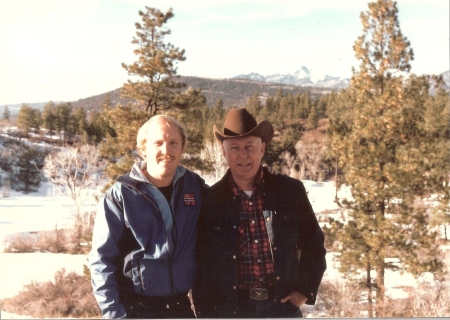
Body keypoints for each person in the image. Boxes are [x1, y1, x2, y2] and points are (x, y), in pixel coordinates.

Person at [193, 108, 327, 318]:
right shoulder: (211, 200)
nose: (243, 154)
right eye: (234, 147)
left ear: (262, 148)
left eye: (249, 146)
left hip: (281, 308)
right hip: (230, 311)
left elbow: (314, 244)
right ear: (223, 152)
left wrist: (303, 291)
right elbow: (201, 266)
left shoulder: (289, 191)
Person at [89, 115, 204, 319]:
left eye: (173, 143)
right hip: (135, 309)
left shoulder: (194, 187)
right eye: (158, 143)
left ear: (182, 147)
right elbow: (101, 260)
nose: (166, 151)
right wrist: (114, 314)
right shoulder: (121, 195)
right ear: (144, 148)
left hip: (180, 308)